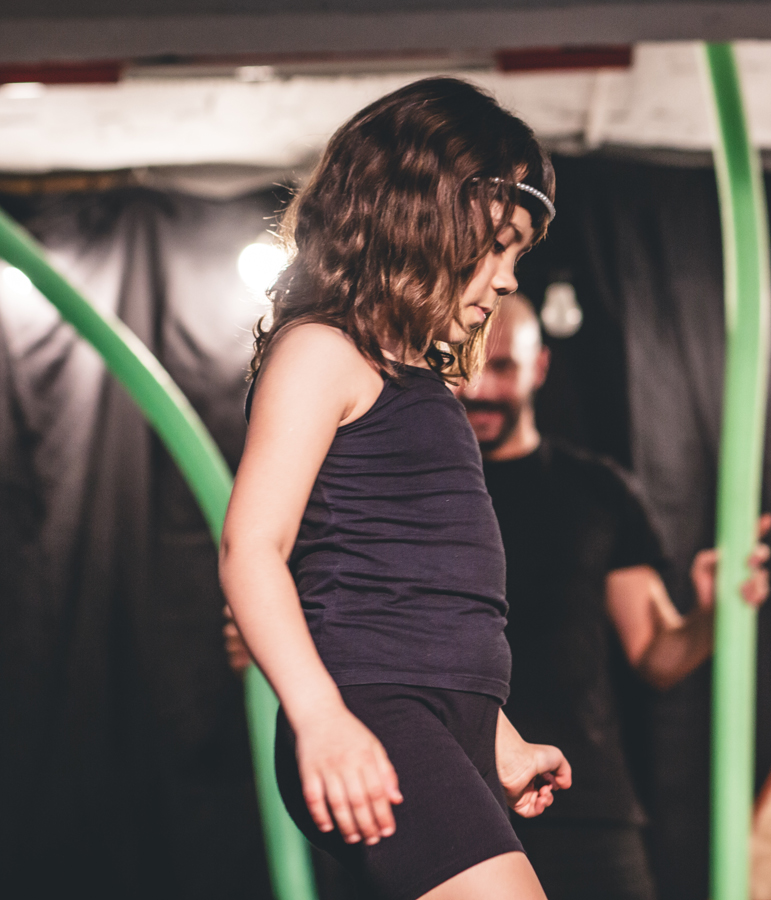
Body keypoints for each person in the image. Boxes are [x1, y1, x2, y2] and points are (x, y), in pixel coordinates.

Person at [218, 78, 572, 900]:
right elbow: (251, 549)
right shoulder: (322, 351)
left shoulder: (421, 386)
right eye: (495, 246)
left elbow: (427, 597)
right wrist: (321, 716)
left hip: (439, 718)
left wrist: (499, 740)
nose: (507, 280)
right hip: (370, 708)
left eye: (519, 256)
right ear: (417, 221)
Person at [454, 294, 771, 900]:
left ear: (540, 366)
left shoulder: (596, 491)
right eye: (467, 365)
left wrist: (715, 613)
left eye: (502, 367)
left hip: (582, 803)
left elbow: (658, 656)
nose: (479, 388)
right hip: (451, 802)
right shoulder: (415, 492)